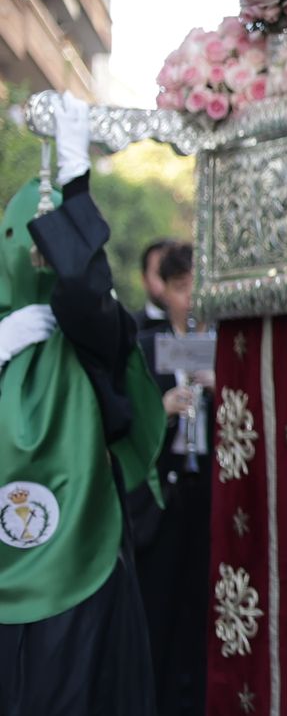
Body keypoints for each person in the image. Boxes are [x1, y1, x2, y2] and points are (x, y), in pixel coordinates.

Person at [0, 92, 165, 715]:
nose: (40, 260)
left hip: (81, 575)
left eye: (54, 247)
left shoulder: (92, 335)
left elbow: (82, 293)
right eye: (30, 246)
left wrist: (75, 182)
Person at [133, 241, 213, 716]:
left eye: (197, 287)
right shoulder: (150, 346)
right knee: (158, 610)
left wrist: (219, 383)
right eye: (182, 288)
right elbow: (126, 422)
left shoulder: (222, 345)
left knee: (199, 610)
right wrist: (160, 410)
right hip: (164, 494)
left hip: (210, 490)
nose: (191, 298)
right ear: (166, 292)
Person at [133, 240, 175, 337]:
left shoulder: (204, 329)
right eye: (161, 274)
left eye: (174, 275)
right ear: (144, 279)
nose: (167, 283)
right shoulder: (128, 329)